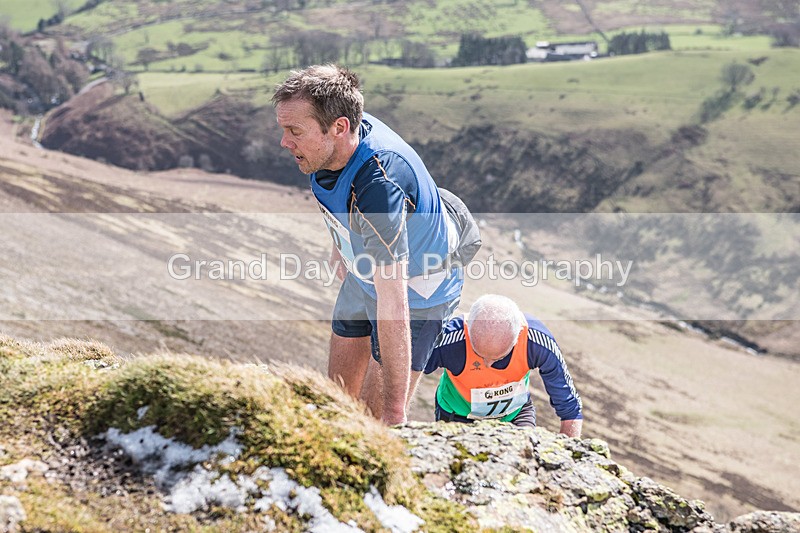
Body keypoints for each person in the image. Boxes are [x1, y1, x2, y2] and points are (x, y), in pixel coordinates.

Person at [272, 64, 463, 425]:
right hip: (363, 271)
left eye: (295, 131)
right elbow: (334, 193)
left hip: (417, 292)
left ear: (340, 128)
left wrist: (394, 415)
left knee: (373, 422)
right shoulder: (333, 138)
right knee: (337, 401)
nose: (285, 141)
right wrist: (339, 245)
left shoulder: (379, 187)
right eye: (284, 130)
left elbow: (394, 301)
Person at [424, 294, 583, 437]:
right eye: (479, 354)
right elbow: (410, 371)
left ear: (517, 335)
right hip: (456, 414)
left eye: (500, 357)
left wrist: (569, 455)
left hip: (516, 414)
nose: (488, 364)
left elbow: (570, 408)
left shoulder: (536, 340)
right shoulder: (449, 338)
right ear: (468, 330)